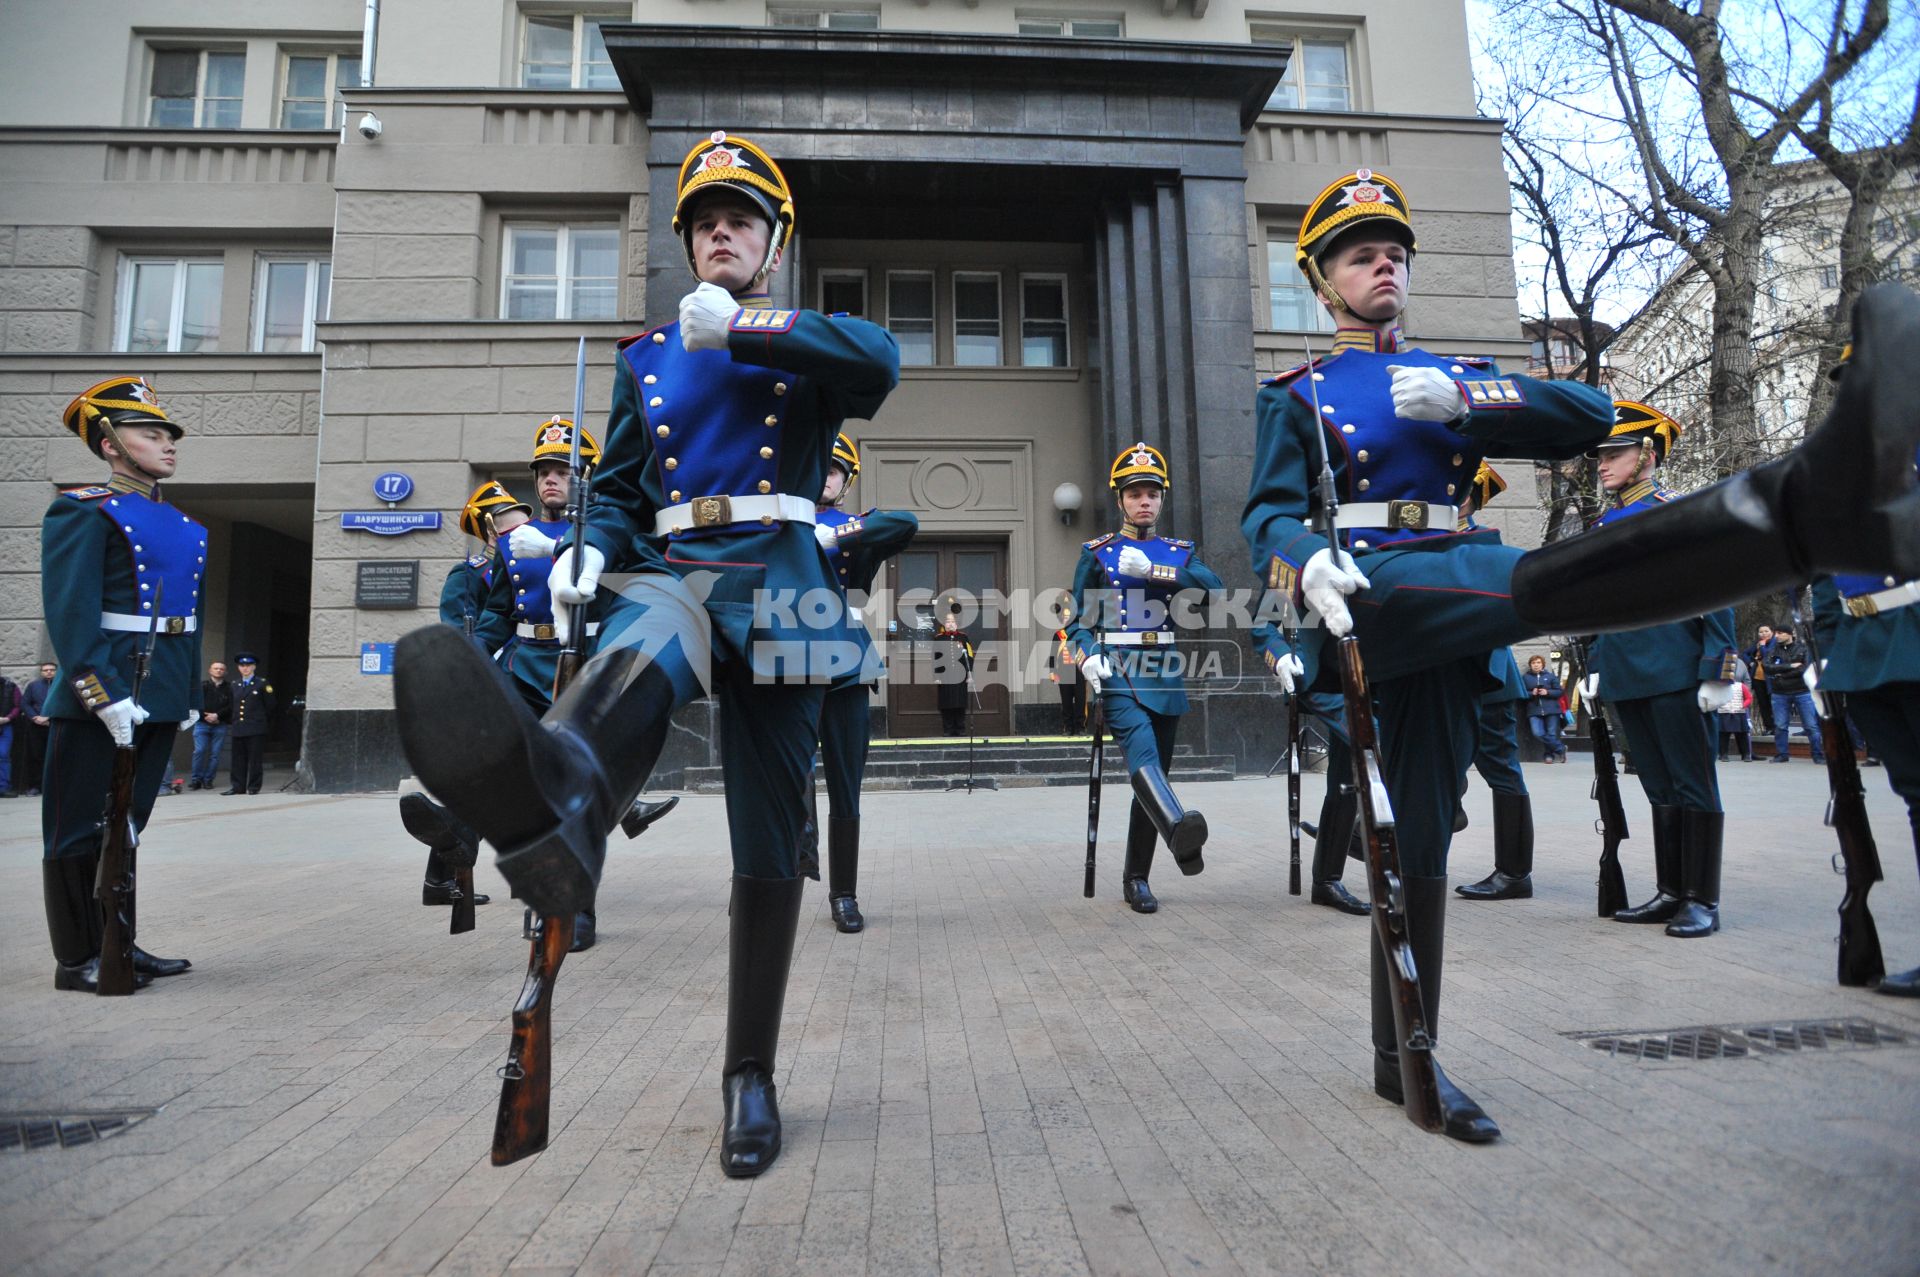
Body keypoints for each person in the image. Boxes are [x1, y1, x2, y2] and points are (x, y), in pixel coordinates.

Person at [1240, 173, 1916, 1141]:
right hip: (1376, 588)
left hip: (1450, 593)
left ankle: (1404, 1056)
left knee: (1422, 829)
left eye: (1394, 249)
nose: (1383, 262)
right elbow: (1264, 512)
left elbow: (1590, 414)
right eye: (1360, 252)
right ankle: (1804, 513)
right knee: (1533, 578)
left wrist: (1467, 401)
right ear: (1320, 281)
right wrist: (1307, 562)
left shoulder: (1453, 370)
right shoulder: (1297, 396)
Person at [390, 129, 900, 1178]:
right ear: (688, 240)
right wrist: (586, 548)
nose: (721, 228)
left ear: (772, 240)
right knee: (642, 640)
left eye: (742, 218)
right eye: (705, 219)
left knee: (766, 846)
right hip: (677, 569)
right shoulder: (642, 359)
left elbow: (880, 362)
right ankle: (546, 794)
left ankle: (747, 1072)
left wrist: (755, 328)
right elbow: (621, 490)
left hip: (783, 579)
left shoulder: (797, 338)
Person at [39, 375, 200, 991]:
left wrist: (184, 697)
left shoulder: (184, 524)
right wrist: (101, 696)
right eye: (149, 433)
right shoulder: (81, 511)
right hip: (100, 698)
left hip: (157, 694)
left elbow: (186, 618)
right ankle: (77, 956)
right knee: (77, 829)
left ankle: (120, 943)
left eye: (168, 435)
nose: (167, 445)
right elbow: (71, 616)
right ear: (109, 443)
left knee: (128, 826)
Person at [1583, 402, 1737, 938]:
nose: (1601, 465)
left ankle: (1703, 899)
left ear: (1647, 455)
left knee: (1693, 785)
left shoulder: (1679, 511)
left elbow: (1717, 589)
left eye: (1613, 454)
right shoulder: (1606, 520)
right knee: (1656, 785)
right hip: (1628, 671)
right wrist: (1598, 665)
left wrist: (1719, 668)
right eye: (1599, 456)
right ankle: (1672, 891)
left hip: (1676, 667)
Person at [1065, 442, 1223, 913]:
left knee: (1151, 779)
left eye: (1152, 493)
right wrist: (1087, 655)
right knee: (1143, 760)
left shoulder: (1178, 552)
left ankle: (1137, 877)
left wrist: (1157, 571)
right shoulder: (1098, 554)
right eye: (1135, 494)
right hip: (1118, 671)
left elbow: (1216, 593)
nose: (1145, 502)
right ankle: (1180, 830)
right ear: (1120, 500)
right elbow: (1077, 622)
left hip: (1165, 670)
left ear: (1162, 498)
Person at [1811, 342, 1920, 996]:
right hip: (1864, 647)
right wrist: (1829, 660)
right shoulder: (1843, 474)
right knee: (1913, 791)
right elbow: (1825, 575)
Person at [400, 481, 530, 915]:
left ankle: (440, 877)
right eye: (510, 522)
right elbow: (459, 633)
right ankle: (443, 877)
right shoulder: (470, 574)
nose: (519, 526)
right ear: (492, 533)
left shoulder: (530, 566)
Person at [811, 432, 918, 932]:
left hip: (848, 665)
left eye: (835, 470)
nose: (825, 476)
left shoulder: (852, 528)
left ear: (847, 482)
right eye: (817, 465)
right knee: (783, 785)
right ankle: (775, 882)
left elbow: (905, 522)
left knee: (845, 788)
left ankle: (844, 894)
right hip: (779, 662)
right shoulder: (780, 518)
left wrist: (840, 535)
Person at [1764, 627, 1826, 763]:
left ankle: (1817, 754)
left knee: (1811, 725)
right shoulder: (1773, 650)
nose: (1777, 636)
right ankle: (1782, 754)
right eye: (1775, 633)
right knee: (1780, 726)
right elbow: (1767, 667)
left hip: (1801, 691)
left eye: (1780, 633)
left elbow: (1804, 668)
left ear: (1790, 634)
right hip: (1779, 692)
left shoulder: (1802, 649)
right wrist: (1790, 666)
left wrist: (1781, 674)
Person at [224, 653, 273, 794]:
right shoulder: (235, 684)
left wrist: (261, 722)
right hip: (239, 727)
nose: (245, 668)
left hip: (256, 727)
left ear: (254, 667)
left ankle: (253, 786)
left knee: (255, 759)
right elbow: (231, 705)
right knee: (238, 759)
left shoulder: (262, 683)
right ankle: (238, 786)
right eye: (242, 666)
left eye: (248, 666)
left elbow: (270, 706)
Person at [189, 660, 231, 789]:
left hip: (220, 724)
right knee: (199, 751)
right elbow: (195, 703)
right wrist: (206, 716)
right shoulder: (203, 686)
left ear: (225, 672)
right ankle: (196, 779)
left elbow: (231, 706)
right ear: (210, 670)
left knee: (215, 754)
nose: (218, 670)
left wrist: (217, 716)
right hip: (202, 724)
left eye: (221, 669)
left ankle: (208, 780)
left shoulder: (230, 688)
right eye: (216, 668)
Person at [934, 608, 975, 736]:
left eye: (952, 621)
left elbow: (969, 656)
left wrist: (969, 674)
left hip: (960, 675)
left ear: (956, 624)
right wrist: (936, 675)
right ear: (944, 624)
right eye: (947, 621)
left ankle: (960, 728)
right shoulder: (938, 639)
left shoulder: (963, 637)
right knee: (946, 703)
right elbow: (934, 658)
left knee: (959, 702)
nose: (950, 624)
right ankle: (948, 729)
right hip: (945, 676)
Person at [17, 662, 56, 796]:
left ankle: (51, 787)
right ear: (41, 672)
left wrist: (49, 718)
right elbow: (24, 703)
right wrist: (34, 717)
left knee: (54, 757)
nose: (49, 672)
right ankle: (35, 786)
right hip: (36, 726)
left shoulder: (62, 686)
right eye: (45, 670)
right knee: (35, 756)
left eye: (52, 670)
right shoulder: (34, 686)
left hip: (55, 725)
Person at [1522, 654, 1568, 762]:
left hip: (1552, 709)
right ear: (1530, 665)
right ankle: (1561, 748)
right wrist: (1531, 693)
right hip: (1534, 709)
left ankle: (1549, 756)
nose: (1536, 665)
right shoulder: (1525, 678)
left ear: (1543, 664)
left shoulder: (1551, 676)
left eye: (1538, 662)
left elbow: (1560, 691)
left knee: (1551, 733)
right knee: (1537, 733)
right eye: (1533, 663)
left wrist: (1547, 692)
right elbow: (1521, 693)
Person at [1715, 657, 1755, 762]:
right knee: (1723, 734)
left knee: (1742, 733)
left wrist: (1743, 705)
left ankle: (1746, 754)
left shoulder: (1741, 685)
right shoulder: (1720, 686)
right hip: (1724, 711)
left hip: (1739, 711)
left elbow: (1749, 697)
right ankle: (1723, 754)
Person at [1050, 626, 1085, 734]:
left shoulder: (1081, 634)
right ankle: (1068, 727)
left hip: (1078, 671)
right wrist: (1052, 672)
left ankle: (1080, 728)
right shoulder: (1059, 635)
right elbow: (1053, 655)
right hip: (1064, 671)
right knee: (1066, 701)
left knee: (1081, 700)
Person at [1746, 625, 1777, 737]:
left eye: (1766, 631)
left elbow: (1768, 656)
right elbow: (1744, 654)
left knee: (1773, 703)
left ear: (1772, 632)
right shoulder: (1757, 644)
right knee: (1763, 704)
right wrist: (1750, 662)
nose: (1763, 634)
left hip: (1771, 679)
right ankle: (1768, 727)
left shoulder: (1775, 642)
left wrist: (1763, 647)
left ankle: (1777, 727)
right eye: (1761, 632)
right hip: (1758, 678)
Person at [0, 671, 18, 797]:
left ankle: (4, 787)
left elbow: (18, 705)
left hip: (5, 725)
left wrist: (8, 718)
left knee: (3, 755)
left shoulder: (10, 685)